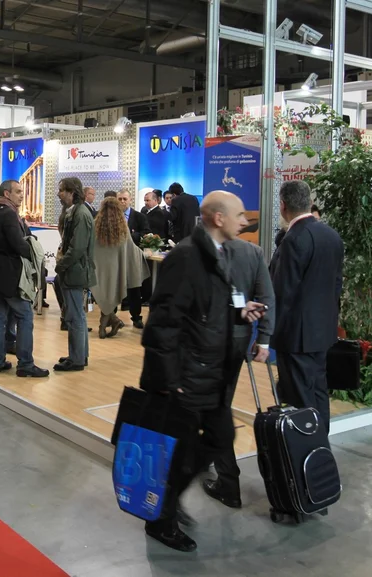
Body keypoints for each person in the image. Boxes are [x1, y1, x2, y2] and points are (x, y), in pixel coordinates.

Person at [140, 190, 266, 552]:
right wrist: (167, 382)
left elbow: (203, 310)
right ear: (217, 218)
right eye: (239, 215)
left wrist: (239, 313)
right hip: (185, 375)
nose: (245, 222)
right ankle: (161, 516)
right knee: (185, 447)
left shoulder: (216, 254)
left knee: (218, 439)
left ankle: (167, 501)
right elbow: (163, 322)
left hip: (208, 371)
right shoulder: (187, 256)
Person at [203, 234, 275, 509]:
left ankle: (227, 481)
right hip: (238, 338)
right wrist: (265, 338)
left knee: (215, 407)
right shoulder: (253, 252)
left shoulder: (199, 250)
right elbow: (266, 296)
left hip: (209, 340)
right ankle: (211, 462)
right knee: (218, 402)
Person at [270, 181, 344, 433]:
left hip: (295, 336)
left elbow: (283, 292)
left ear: (282, 205)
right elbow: (336, 285)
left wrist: (267, 335)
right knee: (318, 391)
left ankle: (306, 451)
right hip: (322, 331)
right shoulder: (331, 235)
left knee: (299, 398)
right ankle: (320, 447)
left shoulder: (293, 239)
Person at [0, 180, 49, 378]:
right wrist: (33, 249)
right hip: (9, 274)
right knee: (25, 315)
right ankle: (26, 364)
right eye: (18, 192)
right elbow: (19, 246)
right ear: (7, 193)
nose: (21, 195)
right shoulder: (9, 215)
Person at [54, 177, 97, 372]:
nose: (59, 194)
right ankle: (78, 355)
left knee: (75, 316)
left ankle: (77, 359)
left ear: (72, 192)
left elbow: (77, 247)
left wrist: (61, 264)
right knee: (75, 315)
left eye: (62, 190)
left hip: (75, 271)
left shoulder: (81, 214)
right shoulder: (76, 212)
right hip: (74, 270)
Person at [91, 197, 149, 339]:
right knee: (110, 296)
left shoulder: (94, 226)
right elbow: (131, 250)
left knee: (103, 296)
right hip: (117, 270)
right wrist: (145, 254)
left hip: (98, 269)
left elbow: (90, 246)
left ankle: (105, 326)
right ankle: (107, 325)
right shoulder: (122, 228)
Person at [117, 189, 151, 326]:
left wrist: (131, 236)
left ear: (130, 200)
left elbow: (146, 232)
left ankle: (136, 316)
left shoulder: (139, 217)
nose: (122, 202)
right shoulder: (111, 217)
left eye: (125, 199)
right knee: (113, 286)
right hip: (115, 257)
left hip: (132, 256)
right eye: (119, 199)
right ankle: (110, 317)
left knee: (134, 287)